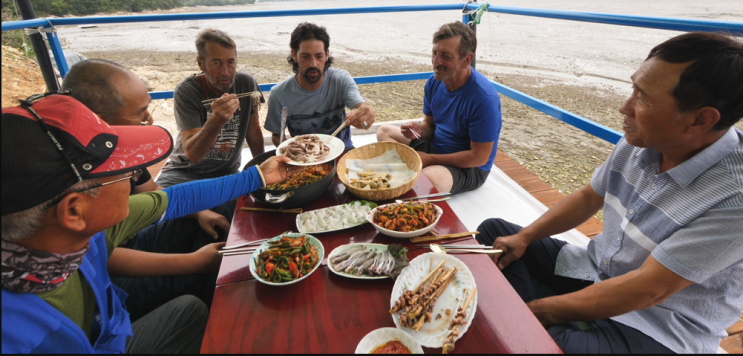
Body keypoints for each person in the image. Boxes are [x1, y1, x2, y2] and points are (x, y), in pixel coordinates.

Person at [476, 32, 743, 354]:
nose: (624, 107)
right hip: (598, 270)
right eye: (633, 88)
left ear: (699, 119)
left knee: (546, 342)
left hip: (657, 321)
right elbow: (590, 197)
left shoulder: (734, 198)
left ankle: (553, 320)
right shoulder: (643, 139)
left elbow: (649, 290)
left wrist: (539, 311)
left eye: (643, 98)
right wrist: (525, 238)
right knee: (495, 236)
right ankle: (562, 320)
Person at [1, 94, 296, 353]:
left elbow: (176, 200)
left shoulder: (75, 236)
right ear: (74, 212)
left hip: (108, 333)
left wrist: (256, 177)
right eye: (122, 171)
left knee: (190, 309)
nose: (135, 176)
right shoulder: (18, 334)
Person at [61, 58, 234, 321]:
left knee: (214, 215)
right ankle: (214, 324)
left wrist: (200, 213)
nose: (149, 118)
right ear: (97, 117)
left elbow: (151, 191)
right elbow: (101, 257)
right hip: (105, 281)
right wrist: (193, 262)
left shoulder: (120, 144)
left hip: (135, 239)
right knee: (195, 287)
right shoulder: (71, 175)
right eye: (140, 112)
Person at [376, 22, 502, 194]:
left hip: (469, 167)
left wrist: (429, 159)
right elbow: (430, 127)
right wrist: (418, 130)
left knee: (428, 181)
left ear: (466, 60)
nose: (436, 62)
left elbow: (479, 157)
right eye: (434, 53)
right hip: (435, 147)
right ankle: (410, 171)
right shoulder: (435, 82)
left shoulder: (483, 98)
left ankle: (410, 172)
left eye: (446, 56)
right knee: (384, 132)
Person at [156, 28, 266, 188]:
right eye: (216, 63)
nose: (226, 72)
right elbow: (193, 154)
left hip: (226, 173)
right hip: (184, 172)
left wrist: (263, 170)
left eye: (231, 62)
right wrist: (217, 119)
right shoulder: (187, 91)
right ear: (201, 63)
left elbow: (254, 132)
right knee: (161, 207)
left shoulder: (246, 83)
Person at [264, 22, 375, 150]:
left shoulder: (340, 80)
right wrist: (294, 153)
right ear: (294, 55)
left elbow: (360, 107)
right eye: (305, 57)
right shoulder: (279, 95)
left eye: (319, 56)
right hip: (305, 158)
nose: (313, 64)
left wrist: (365, 115)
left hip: (343, 150)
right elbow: (277, 136)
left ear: (327, 55)